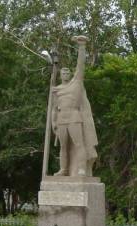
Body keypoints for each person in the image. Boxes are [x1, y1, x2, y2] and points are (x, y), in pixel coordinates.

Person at [51, 35, 98, 177]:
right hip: (61, 119)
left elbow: (80, 65)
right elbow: (54, 108)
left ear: (71, 74)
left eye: (67, 72)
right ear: (60, 75)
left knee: (79, 144)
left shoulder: (76, 82)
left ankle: (82, 169)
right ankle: (63, 169)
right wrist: (53, 122)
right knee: (64, 147)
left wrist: (82, 46)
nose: (65, 73)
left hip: (74, 117)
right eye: (63, 72)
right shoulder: (56, 89)